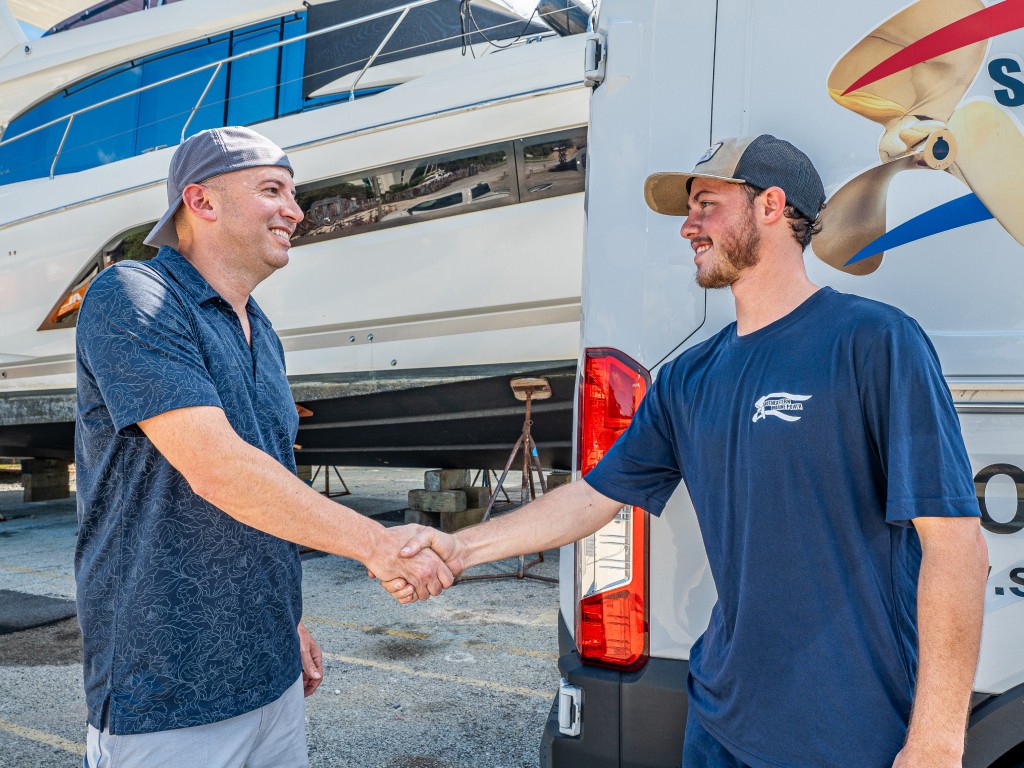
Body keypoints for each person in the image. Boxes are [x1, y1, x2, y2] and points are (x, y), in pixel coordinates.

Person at [391, 135, 990, 768]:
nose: (687, 228)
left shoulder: (875, 342)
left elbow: (956, 547)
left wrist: (935, 740)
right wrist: (464, 548)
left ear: (771, 206)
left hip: (850, 729)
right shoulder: (689, 377)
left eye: (706, 205)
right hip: (720, 720)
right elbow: (596, 497)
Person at [74, 126, 453, 768]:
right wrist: (379, 544)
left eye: (294, 194)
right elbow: (219, 469)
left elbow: (271, 480)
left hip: (272, 679)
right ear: (201, 202)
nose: (296, 212)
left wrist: (285, 622)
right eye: (273, 190)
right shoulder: (135, 296)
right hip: (167, 694)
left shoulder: (262, 329)